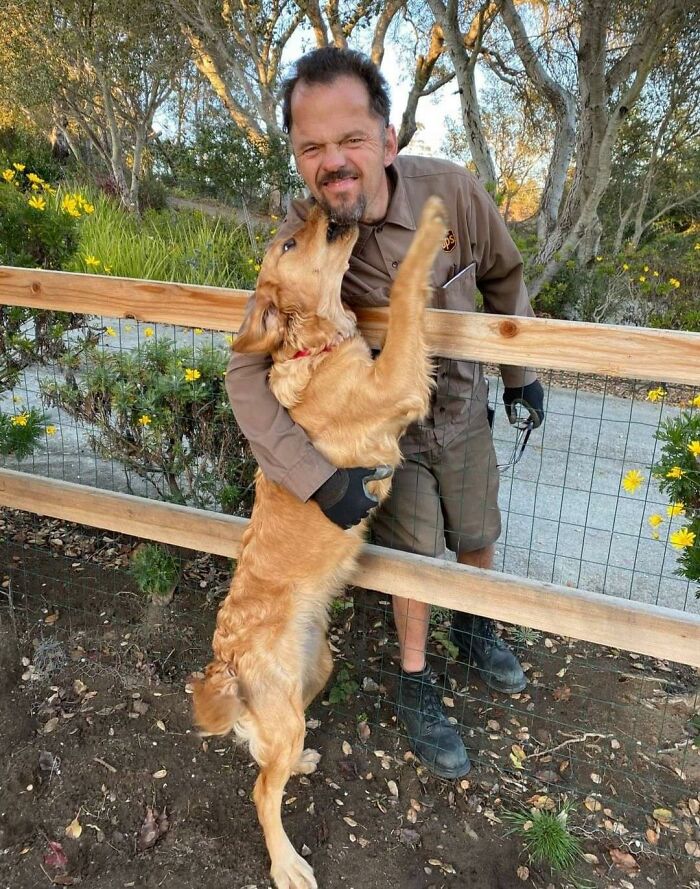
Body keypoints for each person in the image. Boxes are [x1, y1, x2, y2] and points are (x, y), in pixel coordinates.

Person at [226, 46, 545, 780]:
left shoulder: (453, 194)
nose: (332, 160)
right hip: (382, 443)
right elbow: (246, 371)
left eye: (350, 140)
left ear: (387, 141)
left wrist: (521, 377)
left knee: (478, 530)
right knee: (412, 556)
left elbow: (504, 276)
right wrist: (313, 477)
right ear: (298, 157)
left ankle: (479, 626)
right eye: (312, 146)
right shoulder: (298, 241)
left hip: (462, 413)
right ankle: (414, 677)